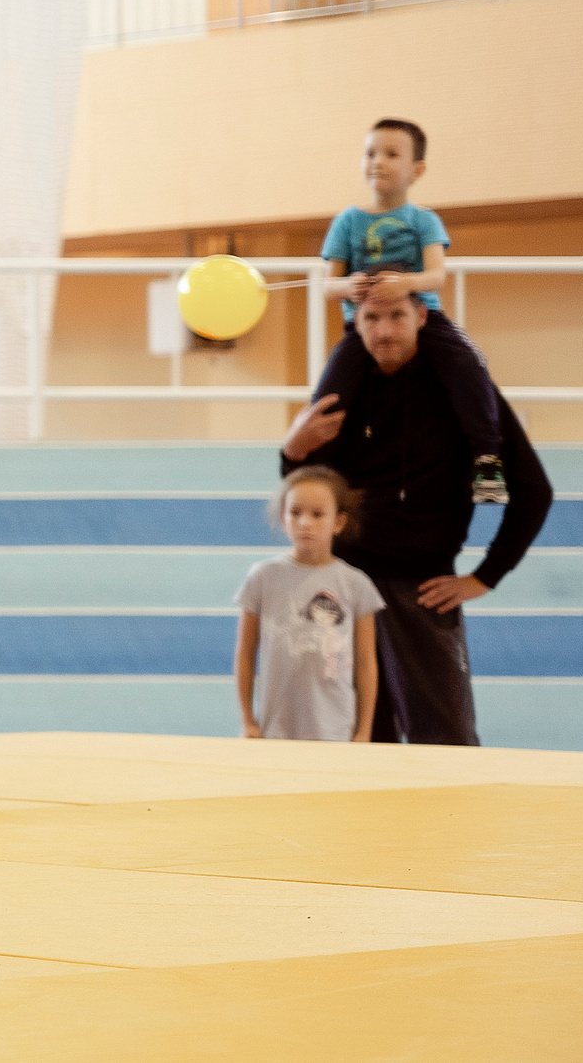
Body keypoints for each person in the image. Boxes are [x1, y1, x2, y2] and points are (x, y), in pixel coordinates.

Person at [281, 287, 553, 745]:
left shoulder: (466, 395)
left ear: (422, 316)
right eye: (371, 318)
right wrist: (291, 453)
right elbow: (311, 493)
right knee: (349, 738)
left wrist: (485, 576)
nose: (384, 330)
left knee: (446, 742)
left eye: (396, 316)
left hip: (423, 591)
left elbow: (534, 491)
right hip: (344, 587)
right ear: (355, 322)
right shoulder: (343, 394)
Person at [312, 119, 507, 502]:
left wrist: (407, 284)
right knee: (331, 387)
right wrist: (347, 287)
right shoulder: (348, 221)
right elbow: (326, 284)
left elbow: (437, 276)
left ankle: (487, 458)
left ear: (417, 170)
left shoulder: (423, 220)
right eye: (370, 153)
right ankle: (319, 470)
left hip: (422, 320)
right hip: (362, 325)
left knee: (471, 366)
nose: (377, 162)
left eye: (391, 154)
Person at [235, 466, 381, 742]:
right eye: (295, 512)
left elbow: (366, 663)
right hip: (276, 727)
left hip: (335, 728)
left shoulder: (356, 584)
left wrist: (363, 730)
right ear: (282, 518)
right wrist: (247, 720)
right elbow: (245, 653)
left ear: (338, 522)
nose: (305, 523)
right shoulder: (262, 578)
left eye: (317, 514)